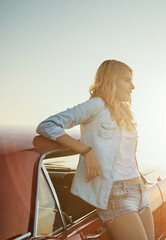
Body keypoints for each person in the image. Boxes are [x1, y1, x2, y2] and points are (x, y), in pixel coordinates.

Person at [36, 59, 154, 240]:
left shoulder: (124, 112)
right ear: (112, 80)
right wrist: (85, 150)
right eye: (127, 80)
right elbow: (48, 125)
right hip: (116, 194)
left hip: (138, 191)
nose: (133, 86)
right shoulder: (96, 106)